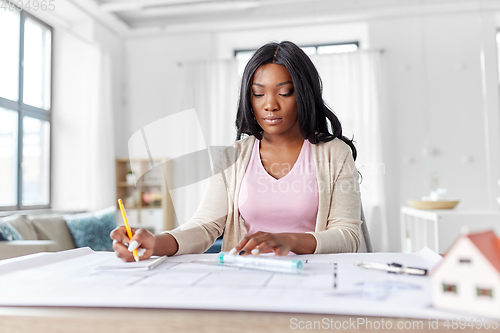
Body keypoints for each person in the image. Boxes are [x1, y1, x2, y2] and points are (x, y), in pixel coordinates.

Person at [110, 41, 362, 261]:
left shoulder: (334, 153)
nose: (270, 105)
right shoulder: (233, 156)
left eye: (285, 92)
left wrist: (289, 240)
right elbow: (205, 226)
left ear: (304, 94)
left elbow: (348, 236)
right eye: (258, 93)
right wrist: (156, 244)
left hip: (315, 280)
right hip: (246, 277)